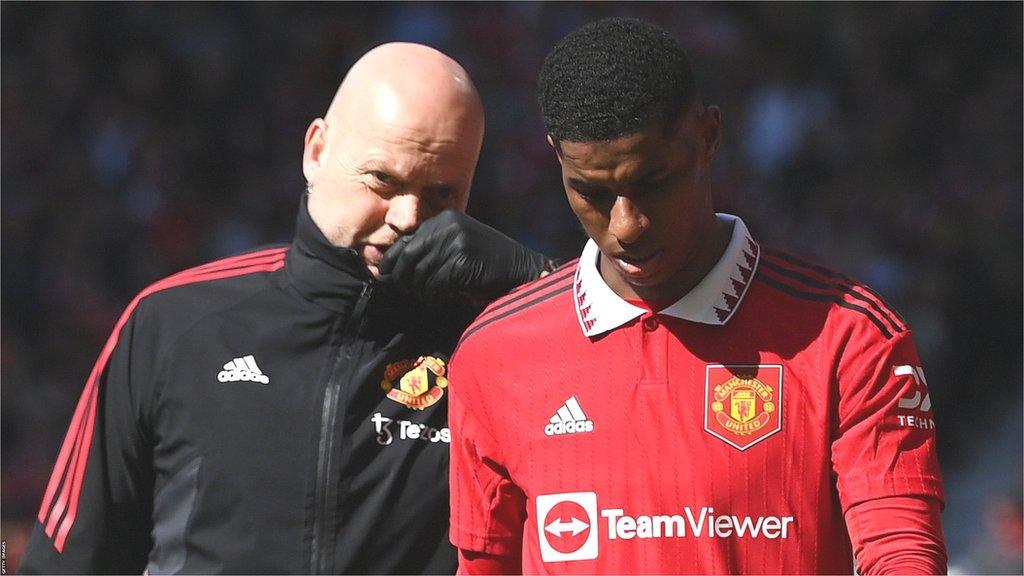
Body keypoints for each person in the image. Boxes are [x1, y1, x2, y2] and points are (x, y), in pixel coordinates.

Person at [21, 42, 554, 574]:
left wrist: (543, 282)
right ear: (316, 150)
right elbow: (65, 562)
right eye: (382, 180)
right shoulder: (171, 323)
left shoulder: (495, 344)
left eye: (442, 195)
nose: (408, 217)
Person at [448, 18, 947, 575]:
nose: (627, 224)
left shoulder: (849, 337)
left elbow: (901, 551)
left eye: (652, 182)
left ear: (709, 137)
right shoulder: (493, 355)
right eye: (592, 192)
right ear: (556, 159)